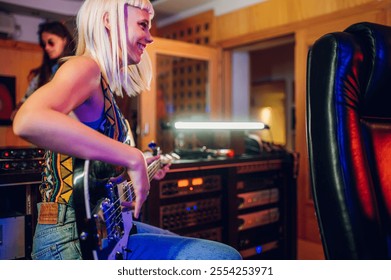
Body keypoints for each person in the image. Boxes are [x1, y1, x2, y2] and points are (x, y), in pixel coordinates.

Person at [13, 0, 241, 260]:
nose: (150, 37)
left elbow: (95, 176)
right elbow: (28, 119)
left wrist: (143, 164)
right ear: (109, 20)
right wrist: (131, 157)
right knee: (223, 259)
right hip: (68, 240)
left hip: (91, 231)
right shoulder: (85, 67)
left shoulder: (104, 86)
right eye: (143, 24)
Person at [11, 21, 75, 120]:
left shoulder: (76, 67)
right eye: (43, 44)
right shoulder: (41, 75)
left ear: (64, 40)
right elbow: (21, 106)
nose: (47, 47)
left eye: (51, 42)